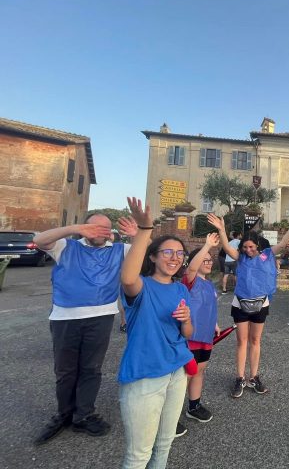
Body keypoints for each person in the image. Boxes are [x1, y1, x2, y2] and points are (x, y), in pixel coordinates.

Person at [33, 213, 135, 445]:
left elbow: (148, 254)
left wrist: (137, 237)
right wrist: (76, 228)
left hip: (101, 316)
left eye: (106, 228)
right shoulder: (65, 246)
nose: (101, 232)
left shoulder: (120, 250)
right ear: (84, 228)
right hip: (65, 317)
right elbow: (39, 240)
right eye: (95, 227)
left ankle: (84, 414)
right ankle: (64, 414)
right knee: (65, 370)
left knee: (91, 368)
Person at [118, 197, 194, 469]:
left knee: (164, 446)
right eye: (167, 252)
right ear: (152, 256)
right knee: (139, 455)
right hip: (145, 377)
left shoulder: (180, 289)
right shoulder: (141, 287)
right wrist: (145, 230)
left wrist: (186, 320)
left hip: (177, 372)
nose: (175, 258)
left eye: (179, 254)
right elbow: (127, 278)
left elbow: (187, 332)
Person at [207, 213, 289, 397]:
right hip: (241, 303)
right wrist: (222, 230)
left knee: (256, 341)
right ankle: (240, 378)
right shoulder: (240, 257)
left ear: (257, 245)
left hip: (260, 304)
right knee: (242, 341)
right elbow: (226, 246)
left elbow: (282, 243)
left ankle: (254, 377)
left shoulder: (267, 255)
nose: (248, 250)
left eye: (251, 247)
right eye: (245, 247)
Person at [177, 234, 221, 435]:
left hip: (205, 336)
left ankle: (193, 405)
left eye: (211, 260)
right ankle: (172, 414)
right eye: (205, 259)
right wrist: (206, 246)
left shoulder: (210, 285)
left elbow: (208, 307)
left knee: (200, 370)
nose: (209, 262)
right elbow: (191, 268)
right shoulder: (190, 280)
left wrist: (216, 324)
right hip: (190, 336)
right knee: (186, 372)